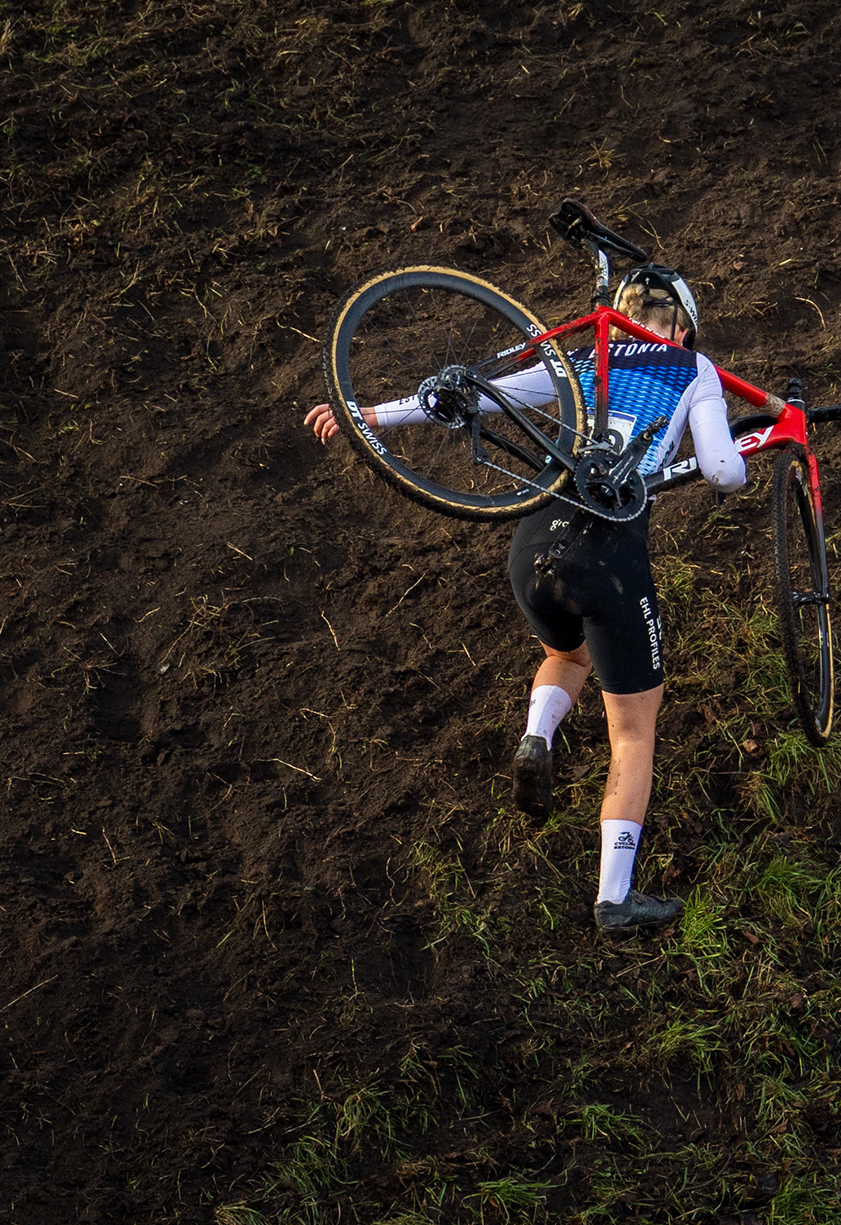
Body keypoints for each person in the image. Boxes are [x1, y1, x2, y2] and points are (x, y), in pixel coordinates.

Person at [305, 265, 747, 938]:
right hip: (609, 558)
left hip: (532, 543)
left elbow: (486, 394)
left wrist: (369, 414)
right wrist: (740, 456)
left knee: (565, 654)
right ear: (682, 328)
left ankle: (536, 736)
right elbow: (720, 470)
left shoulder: (581, 361)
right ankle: (614, 897)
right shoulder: (693, 368)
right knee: (632, 730)